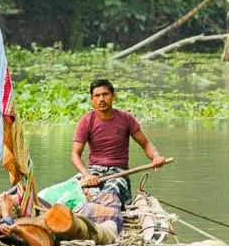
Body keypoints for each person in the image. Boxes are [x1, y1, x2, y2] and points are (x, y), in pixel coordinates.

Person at [70, 78, 166, 231]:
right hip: (94, 173)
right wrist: (87, 175)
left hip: (118, 173)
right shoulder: (87, 121)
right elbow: (75, 155)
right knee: (84, 194)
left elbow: (145, 144)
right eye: (97, 96)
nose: (101, 99)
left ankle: (110, 228)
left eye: (105, 94)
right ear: (92, 100)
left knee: (111, 192)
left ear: (113, 96)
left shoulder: (126, 119)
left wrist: (156, 157)